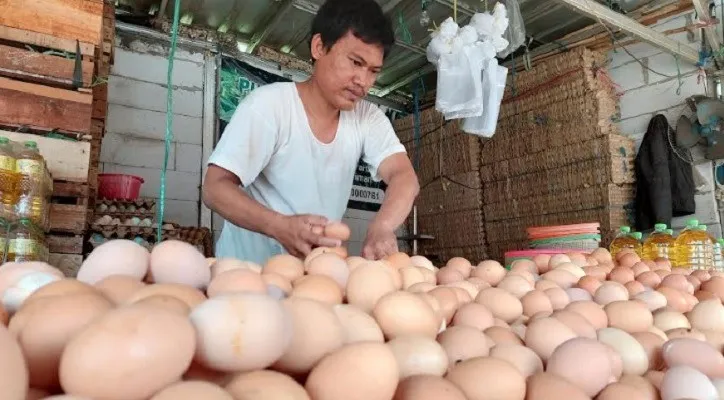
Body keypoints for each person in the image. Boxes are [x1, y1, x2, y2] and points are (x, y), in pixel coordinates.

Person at [202, 0, 420, 265]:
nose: (363, 81)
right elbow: (215, 188)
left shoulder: (367, 118)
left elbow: (403, 176)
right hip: (246, 276)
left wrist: (382, 226)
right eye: (355, 62)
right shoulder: (270, 106)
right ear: (319, 47)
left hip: (310, 279)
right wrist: (279, 226)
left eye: (373, 71)